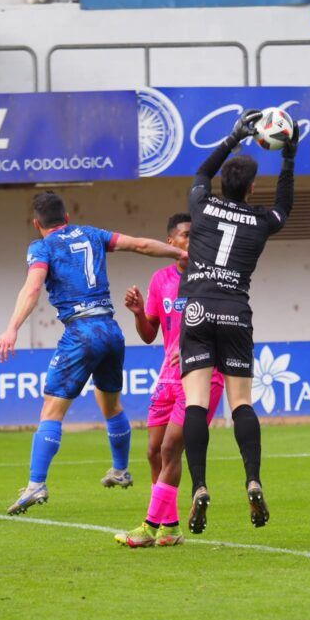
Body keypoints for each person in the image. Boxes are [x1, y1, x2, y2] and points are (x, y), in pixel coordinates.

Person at [0, 191, 186, 515]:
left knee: (51, 410)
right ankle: (120, 470)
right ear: (67, 218)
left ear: (37, 223)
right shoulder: (92, 234)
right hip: (111, 330)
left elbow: (33, 286)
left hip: (81, 332)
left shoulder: (41, 247)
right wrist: (178, 252)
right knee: (110, 403)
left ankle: (37, 483)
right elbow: (139, 244)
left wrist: (12, 327)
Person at [178, 109, 298, 535]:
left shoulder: (201, 203)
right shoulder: (263, 221)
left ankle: (200, 486)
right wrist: (289, 157)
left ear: (223, 185)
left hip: (196, 308)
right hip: (235, 311)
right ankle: (252, 478)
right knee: (241, 403)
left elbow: (200, 172)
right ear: (250, 189)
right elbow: (285, 205)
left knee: (195, 402)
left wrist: (232, 138)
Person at [115, 213, 225, 548]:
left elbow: (226, 327)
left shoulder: (211, 280)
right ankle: (171, 525)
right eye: (187, 236)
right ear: (171, 242)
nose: (193, 242)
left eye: (197, 236)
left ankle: (148, 527)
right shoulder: (161, 279)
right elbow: (150, 334)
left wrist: (199, 349)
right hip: (167, 377)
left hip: (202, 375)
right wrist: (137, 314)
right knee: (153, 452)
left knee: (170, 448)